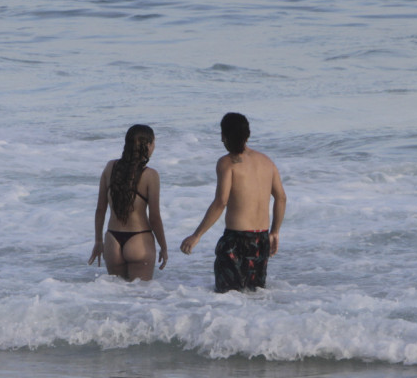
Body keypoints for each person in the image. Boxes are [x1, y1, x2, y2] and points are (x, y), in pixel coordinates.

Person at [180, 113, 286, 292]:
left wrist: (197, 235)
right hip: (261, 240)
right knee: (255, 295)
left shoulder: (227, 163)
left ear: (223, 136)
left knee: (227, 298)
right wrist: (275, 231)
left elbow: (221, 202)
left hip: (236, 241)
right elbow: (281, 198)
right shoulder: (267, 162)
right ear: (248, 134)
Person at [89, 124, 169, 281]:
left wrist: (98, 240)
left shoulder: (110, 167)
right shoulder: (150, 175)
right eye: (153, 143)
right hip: (139, 240)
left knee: (119, 298)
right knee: (140, 298)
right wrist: (164, 247)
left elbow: (100, 209)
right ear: (148, 145)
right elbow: (154, 217)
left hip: (112, 240)